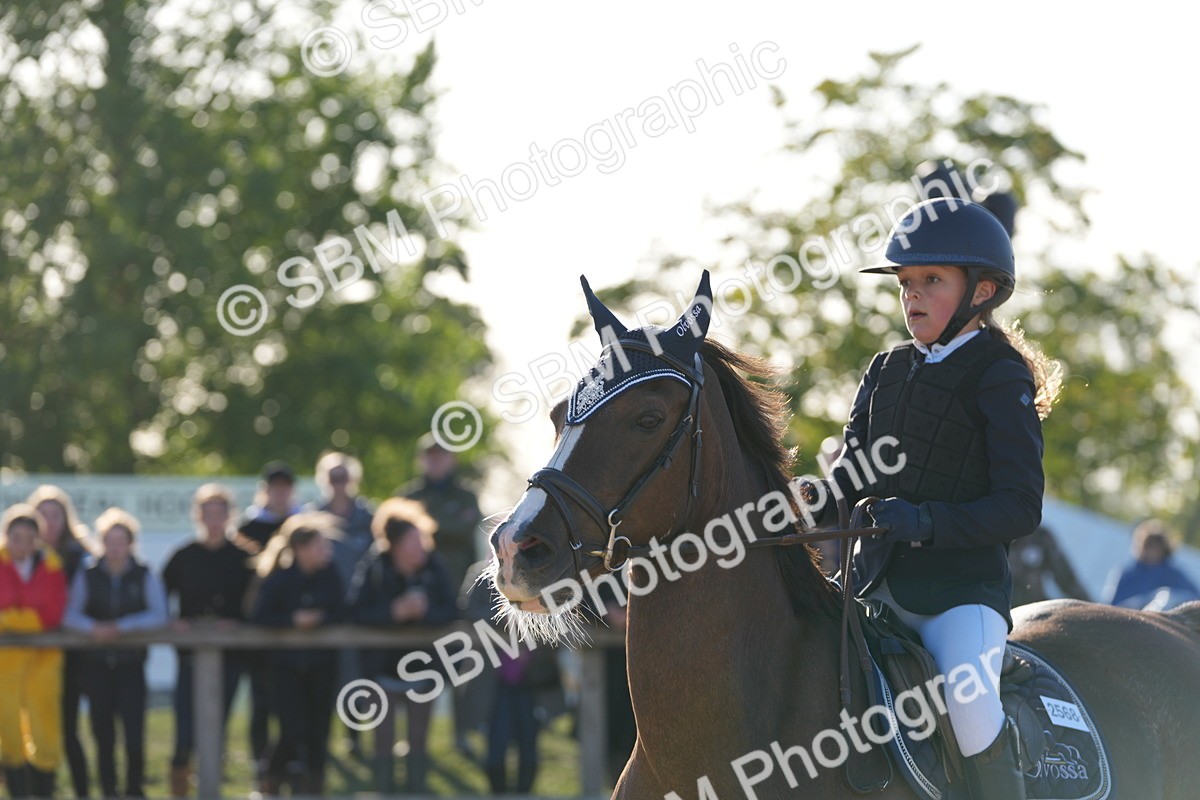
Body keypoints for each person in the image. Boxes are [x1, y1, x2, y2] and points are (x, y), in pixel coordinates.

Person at [799, 196, 1059, 800]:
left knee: (970, 707)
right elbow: (852, 475)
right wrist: (810, 497)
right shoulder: (884, 368)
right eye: (905, 283)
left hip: (959, 599)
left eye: (930, 281)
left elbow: (1022, 505)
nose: (911, 295)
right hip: (869, 589)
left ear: (982, 291)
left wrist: (923, 522)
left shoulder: (1000, 373)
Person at [348, 498, 457, 793]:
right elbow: (356, 612)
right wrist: (393, 613)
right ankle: (383, 791)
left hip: (424, 669)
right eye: (413, 541)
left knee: (418, 739)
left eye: (421, 538)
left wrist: (424, 613)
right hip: (381, 670)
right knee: (382, 740)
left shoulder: (434, 566)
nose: (421, 546)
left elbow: (451, 610)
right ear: (394, 545)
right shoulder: (375, 566)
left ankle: (416, 790)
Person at [63, 508, 168, 800]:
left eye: (120, 541)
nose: (115, 548)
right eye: (109, 541)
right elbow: (70, 613)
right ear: (101, 542)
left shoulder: (143, 573)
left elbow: (159, 614)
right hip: (96, 667)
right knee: (103, 735)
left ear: (131, 543)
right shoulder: (89, 573)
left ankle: (134, 790)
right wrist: (93, 628)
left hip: (131, 665)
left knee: (134, 735)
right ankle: (108, 791)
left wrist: (122, 626)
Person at [162, 484, 257, 797]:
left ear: (230, 516)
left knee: (217, 727)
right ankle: (180, 788)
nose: (214, 520)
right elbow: (159, 595)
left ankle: (211, 787)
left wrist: (237, 623)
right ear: (198, 515)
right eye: (208, 513)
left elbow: (257, 605)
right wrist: (172, 622)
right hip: (191, 655)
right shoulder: (184, 556)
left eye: (219, 513)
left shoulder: (245, 558)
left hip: (230, 657)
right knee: (185, 730)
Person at [249, 512, 345, 797]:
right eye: (319, 545)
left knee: (319, 732)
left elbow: (343, 610)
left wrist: (320, 619)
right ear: (301, 549)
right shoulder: (279, 579)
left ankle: (313, 790)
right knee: (290, 730)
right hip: (285, 668)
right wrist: (292, 620)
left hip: (321, 665)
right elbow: (259, 616)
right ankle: (270, 786)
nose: (325, 551)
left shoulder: (330, 575)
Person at [26, 485, 94, 799]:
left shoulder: (81, 556)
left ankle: (81, 792)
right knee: (34, 727)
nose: (49, 522)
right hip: (30, 655)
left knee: (67, 728)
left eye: (55, 515)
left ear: (66, 518)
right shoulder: (22, 556)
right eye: (43, 515)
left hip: (71, 657)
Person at [307, 452, 376, 759]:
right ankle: (320, 743)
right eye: (333, 477)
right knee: (322, 676)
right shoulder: (312, 517)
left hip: (360, 610)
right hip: (323, 610)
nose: (338, 483)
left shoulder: (369, 517)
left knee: (357, 676)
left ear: (353, 479)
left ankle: (355, 738)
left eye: (343, 476)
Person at [236, 460, 300, 786]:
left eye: (285, 487)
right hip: (261, 629)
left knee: (293, 706)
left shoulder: (302, 525)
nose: (279, 493)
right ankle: (262, 770)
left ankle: (291, 768)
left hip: (296, 632)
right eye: (274, 487)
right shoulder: (248, 529)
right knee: (260, 703)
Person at [0, 504, 68, 798]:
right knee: (8, 730)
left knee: (45, 728)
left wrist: (11, 619)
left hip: (44, 659)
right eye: (17, 537)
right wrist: (31, 619)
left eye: (30, 539)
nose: (22, 545)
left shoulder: (51, 565)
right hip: (6, 662)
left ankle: (44, 793)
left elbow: (52, 614)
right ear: (6, 536)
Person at [396, 434, 482, 594]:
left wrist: (422, 528)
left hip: (458, 581)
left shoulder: (466, 496)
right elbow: (398, 538)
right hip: (416, 582)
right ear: (420, 460)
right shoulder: (407, 496)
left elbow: (464, 530)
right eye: (430, 456)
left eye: (441, 455)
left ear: (452, 459)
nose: (435, 461)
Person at [1103, 519, 1200, 608]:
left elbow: (1194, 599)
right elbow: (1111, 605)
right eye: (1147, 545)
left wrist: (1160, 599)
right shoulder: (1126, 573)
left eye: (1155, 547)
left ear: (1163, 549)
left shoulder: (1173, 575)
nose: (1150, 551)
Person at [1008, 525, 1090, 606]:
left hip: (1034, 605)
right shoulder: (1001, 535)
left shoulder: (1039, 536)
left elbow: (1066, 578)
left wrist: (1089, 606)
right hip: (1005, 605)